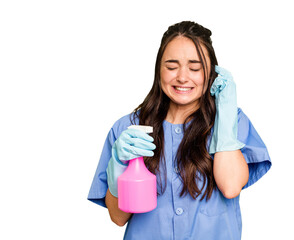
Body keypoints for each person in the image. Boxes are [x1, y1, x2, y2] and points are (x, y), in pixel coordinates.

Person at [88, 21, 271, 239]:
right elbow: (118, 218)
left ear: (211, 72)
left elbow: (231, 187)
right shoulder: (128, 129)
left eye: (195, 68)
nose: (182, 77)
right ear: (159, 70)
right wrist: (118, 165)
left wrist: (225, 118)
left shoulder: (232, 120)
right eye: (172, 67)